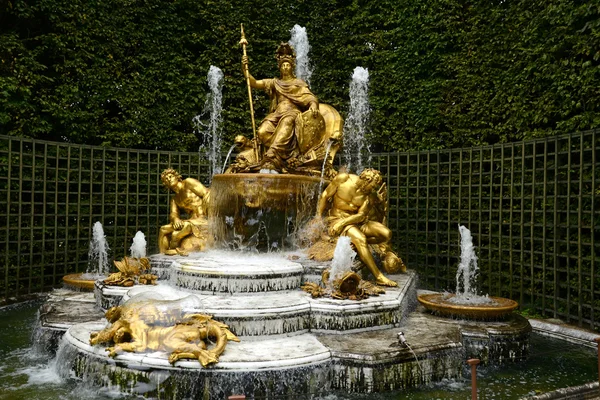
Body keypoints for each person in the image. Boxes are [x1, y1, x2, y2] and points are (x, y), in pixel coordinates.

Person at [242, 42, 320, 171]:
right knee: (262, 131)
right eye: (283, 65)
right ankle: (278, 158)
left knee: (287, 122)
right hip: (277, 114)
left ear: (291, 67)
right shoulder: (274, 82)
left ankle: (272, 155)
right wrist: (244, 67)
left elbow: (309, 97)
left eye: (287, 65)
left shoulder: (298, 83)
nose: (285, 67)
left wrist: (313, 105)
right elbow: (254, 82)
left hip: (292, 113)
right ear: (280, 67)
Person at [316, 169, 400, 287]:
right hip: (337, 220)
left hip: (355, 222)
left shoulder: (368, 196)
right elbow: (325, 195)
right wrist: (318, 217)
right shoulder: (343, 179)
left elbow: (361, 215)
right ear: (367, 180)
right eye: (373, 186)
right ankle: (379, 277)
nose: (373, 189)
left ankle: (356, 243)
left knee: (386, 234)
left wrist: (344, 223)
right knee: (361, 239)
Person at [158, 168, 210, 255]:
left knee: (177, 233)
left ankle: (176, 248)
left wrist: (211, 213)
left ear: (177, 177)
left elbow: (207, 193)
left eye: (170, 176)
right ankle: (163, 253)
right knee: (163, 229)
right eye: (166, 179)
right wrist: (175, 219)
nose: (169, 179)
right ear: (165, 184)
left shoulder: (188, 182)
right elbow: (173, 213)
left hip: (203, 217)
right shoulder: (175, 199)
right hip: (192, 220)